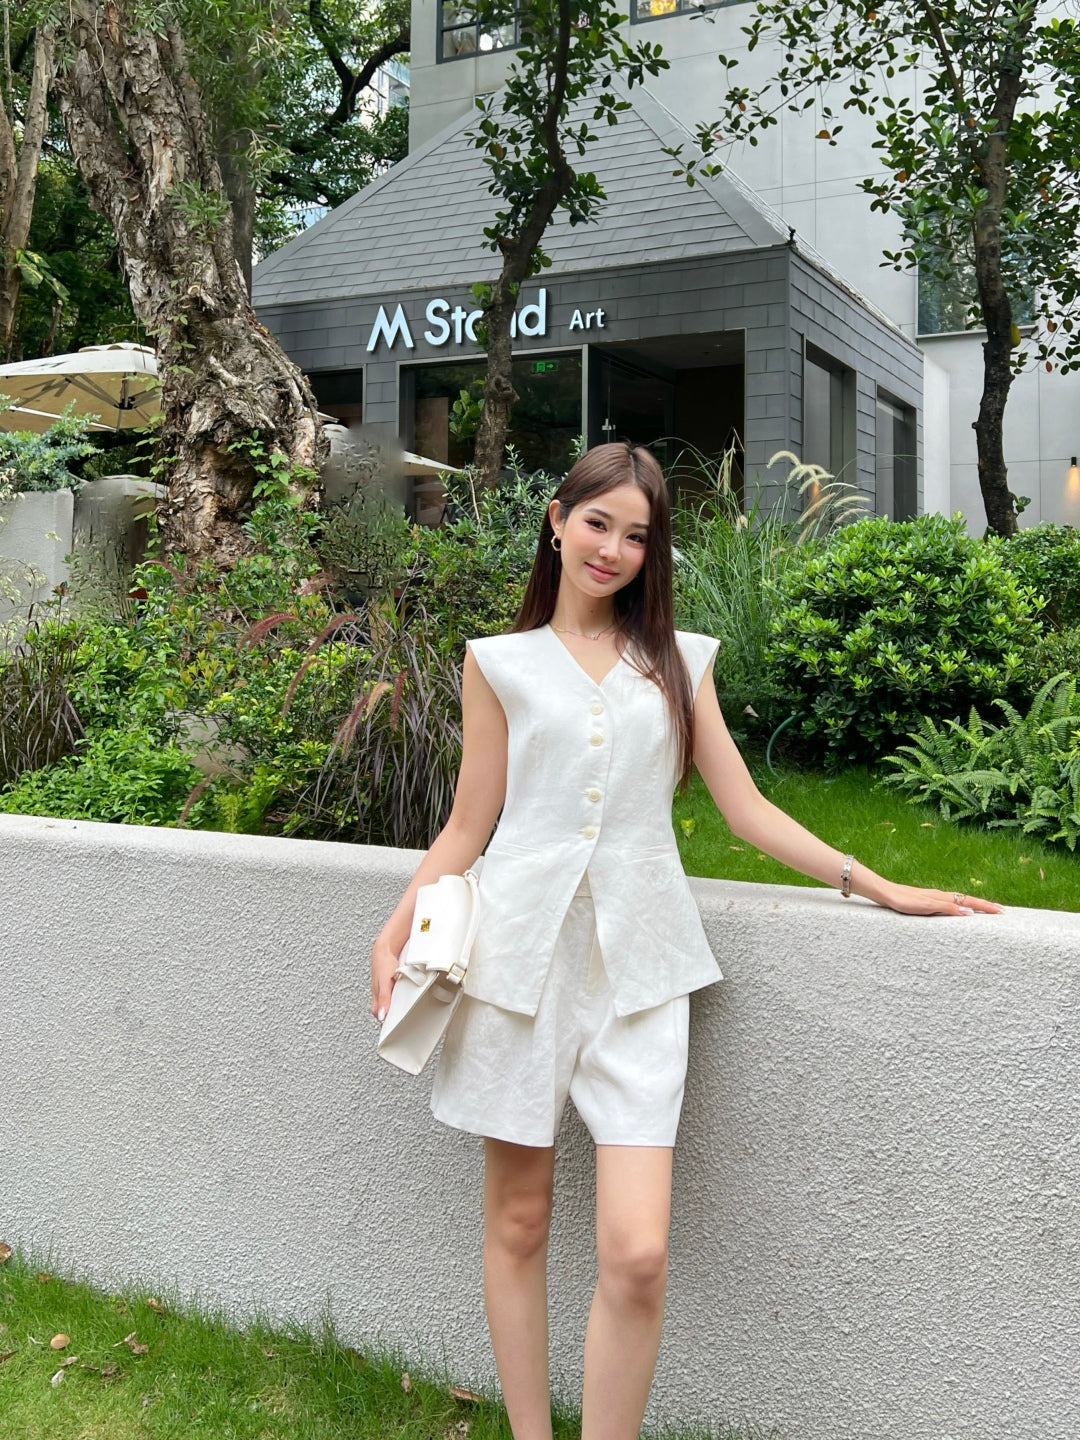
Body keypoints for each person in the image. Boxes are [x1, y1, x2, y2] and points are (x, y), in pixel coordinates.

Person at [369, 442, 1001, 1440]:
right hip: (515, 968)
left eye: (637, 535)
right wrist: (397, 925)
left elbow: (746, 811)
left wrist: (879, 884)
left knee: (638, 1254)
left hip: (642, 975)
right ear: (557, 521)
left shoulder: (678, 661)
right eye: (597, 523)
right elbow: (468, 823)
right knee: (519, 1222)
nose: (612, 549)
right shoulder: (498, 663)